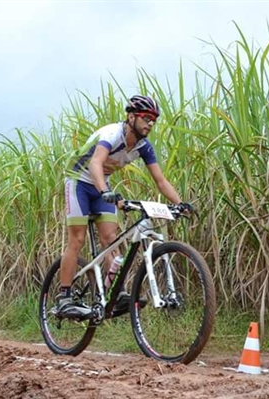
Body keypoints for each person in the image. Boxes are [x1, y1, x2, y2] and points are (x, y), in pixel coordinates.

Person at [57, 95, 193, 317]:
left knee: (111, 238)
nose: (150, 124)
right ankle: (64, 296)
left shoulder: (143, 147)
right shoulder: (113, 134)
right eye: (146, 118)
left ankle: (116, 293)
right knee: (77, 239)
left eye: (153, 121)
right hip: (79, 180)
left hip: (102, 184)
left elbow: (160, 180)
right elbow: (95, 163)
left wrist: (180, 204)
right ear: (131, 117)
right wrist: (105, 192)